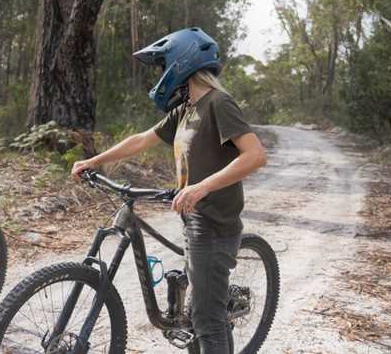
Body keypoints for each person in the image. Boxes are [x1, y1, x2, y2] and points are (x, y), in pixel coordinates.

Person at [71, 27, 267, 354]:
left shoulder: (219, 103)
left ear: (182, 63)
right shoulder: (185, 110)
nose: (161, 75)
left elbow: (255, 155)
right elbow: (141, 139)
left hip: (215, 225)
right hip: (194, 221)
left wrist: (201, 187)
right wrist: (94, 160)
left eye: (163, 66)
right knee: (199, 313)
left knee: (207, 322)